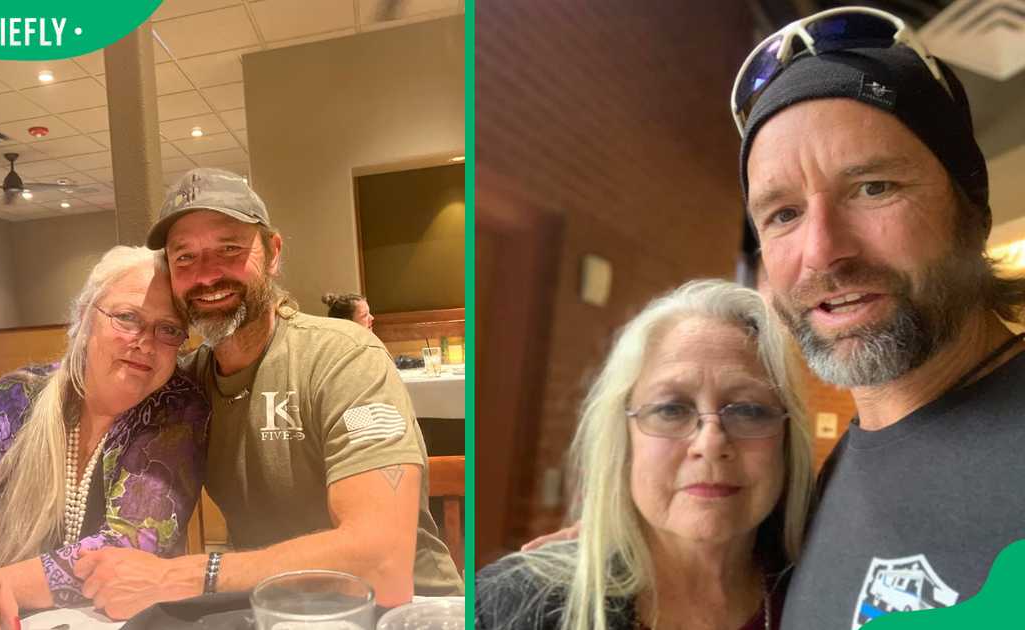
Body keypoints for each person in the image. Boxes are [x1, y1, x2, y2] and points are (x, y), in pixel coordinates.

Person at [734, 6, 1025, 628]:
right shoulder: (832, 477)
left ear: (972, 210)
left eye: (873, 188)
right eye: (783, 214)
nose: (822, 253)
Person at [74, 168, 462, 619]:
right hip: (273, 611)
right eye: (184, 258)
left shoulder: (343, 357)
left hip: (407, 610)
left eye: (230, 249)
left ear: (273, 253)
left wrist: (183, 576)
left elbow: (382, 563)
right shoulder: (185, 385)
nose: (206, 275)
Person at [477, 280, 814, 630]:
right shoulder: (512, 607)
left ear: (787, 441)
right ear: (622, 440)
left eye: (747, 411)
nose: (710, 443)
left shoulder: (833, 588)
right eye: (671, 409)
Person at [0, 246, 209, 630]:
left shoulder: (178, 408)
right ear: (87, 320)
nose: (146, 342)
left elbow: (125, 548)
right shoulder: (16, 398)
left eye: (168, 329)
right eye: (126, 318)